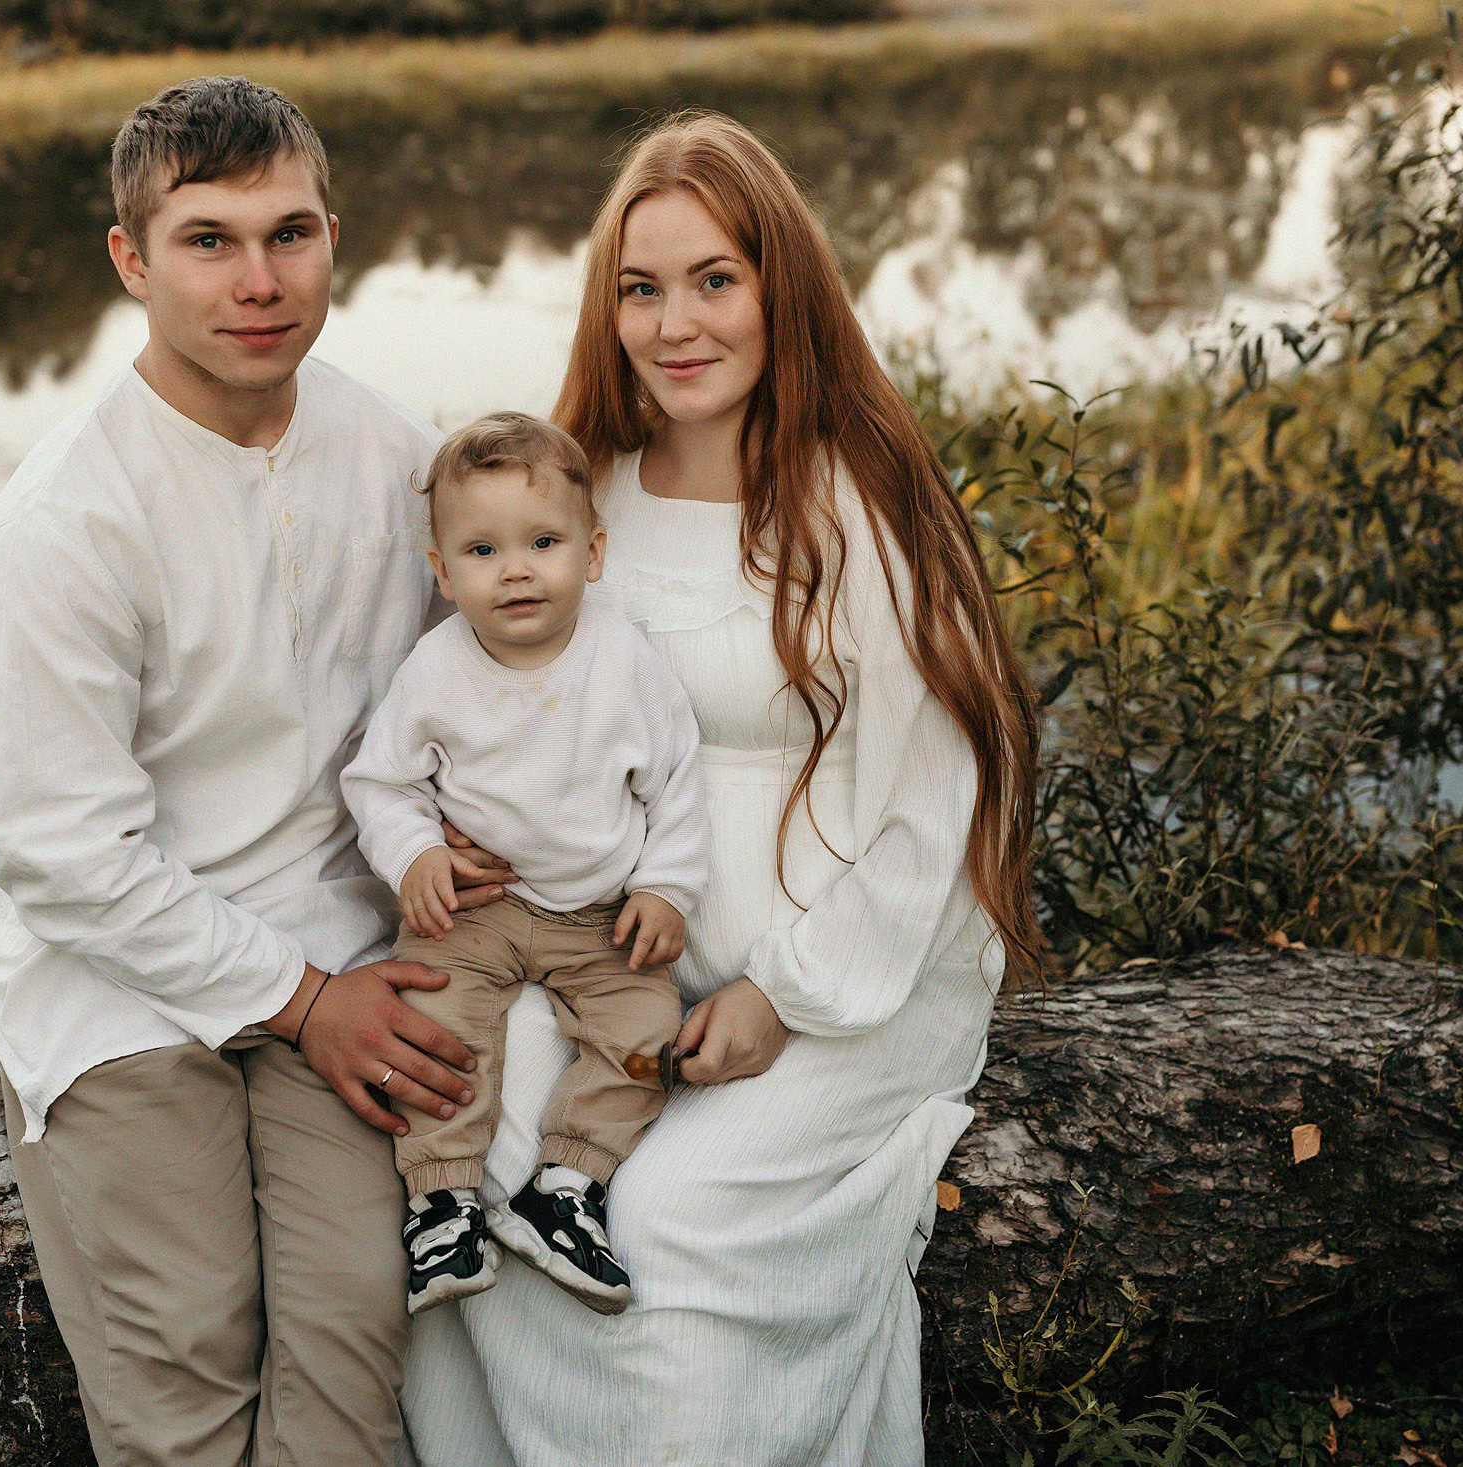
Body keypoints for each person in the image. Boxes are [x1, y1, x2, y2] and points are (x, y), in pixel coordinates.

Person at [399, 112, 1044, 1466]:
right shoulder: (582, 501)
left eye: (714, 279)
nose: (673, 322)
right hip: (615, 957)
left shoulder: (858, 502)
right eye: (640, 287)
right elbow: (483, 705)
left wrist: (783, 992)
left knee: (674, 1213)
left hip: (851, 975)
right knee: (477, 1152)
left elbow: (940, 806)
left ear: (780, 290)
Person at [0, 75, 503, 1467]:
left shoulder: (397, 454)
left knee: (364, 1321)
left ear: (333, 238)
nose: (260, 281)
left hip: (335, 943)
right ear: (131, 259)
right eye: (208, 240)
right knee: (191, 1337)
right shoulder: (58, 525)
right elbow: (65, 861)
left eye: (289, 234)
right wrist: (305, 1005)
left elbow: (473, 697)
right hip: (119, 980)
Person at [341, 411, 710, 1319]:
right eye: (481, 550)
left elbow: (678, 784)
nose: (514, 569)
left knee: (645, 1031)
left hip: (601, 910)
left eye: (542, 542)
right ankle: (442, 1199)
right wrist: (415, 851)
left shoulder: (625, 661)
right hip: (480, 907)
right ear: (442, 570)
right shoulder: (434, 670)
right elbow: (379, 782)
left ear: (592, 550)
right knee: (435, 1019)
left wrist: (668, 886)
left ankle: (566, 1188)